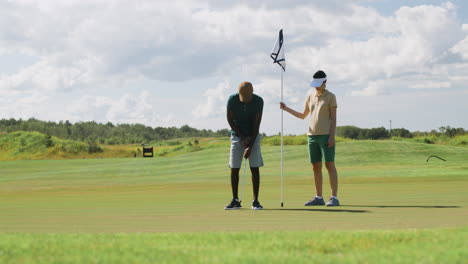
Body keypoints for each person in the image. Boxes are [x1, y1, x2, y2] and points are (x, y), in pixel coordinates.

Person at [280, 70, 340, 206]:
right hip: (312, 136)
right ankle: (319, 197)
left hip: (326, 136)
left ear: (325, 82)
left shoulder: (331, 97)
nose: (316, 86)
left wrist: (332, 136)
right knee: (315, 166)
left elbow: (334, 119)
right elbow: (303, 115)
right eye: (315, 84)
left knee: (329, 165)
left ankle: (334, 197)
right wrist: (286, 108)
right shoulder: (310, 96)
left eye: (319, 84)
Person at [224, 81, 264, 210]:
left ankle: (256, 201)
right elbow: (230, 120)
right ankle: (235, 200)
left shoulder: (258, 101)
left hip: (253, 135)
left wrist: (250, 146)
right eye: (242, 97)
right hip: (237, 135)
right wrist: (241, 137)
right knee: (234, 167)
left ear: (252, 92)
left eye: (247, 97)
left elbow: (256, 125)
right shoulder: (232, 99)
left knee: (254, 167)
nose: (245, 100)